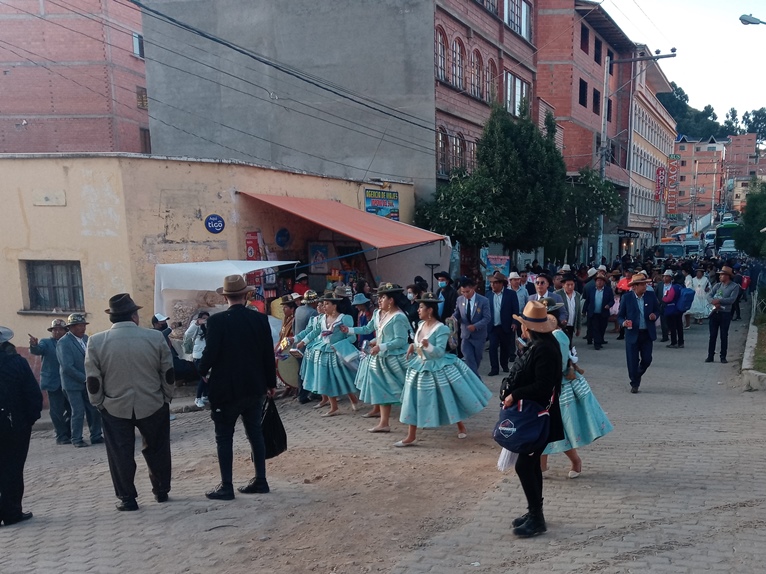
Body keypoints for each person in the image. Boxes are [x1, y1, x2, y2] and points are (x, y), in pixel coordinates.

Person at [85, 293, 175, 511]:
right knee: (157, 449)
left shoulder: (96, 341)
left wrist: (99, 403)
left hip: (115, 406)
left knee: (120, 453)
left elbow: (93, 379)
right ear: (134, 316)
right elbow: (168, 372)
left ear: (112, 318)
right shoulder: (155, 338)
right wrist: (166, 397)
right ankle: (161, 490)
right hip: (152, 402)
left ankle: (127, 498)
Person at [198, 275, 277, 500]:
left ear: (225, 296)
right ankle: (260, 480)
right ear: (246, 294)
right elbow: (267, 355)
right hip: (254, 387)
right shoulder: (260, 320)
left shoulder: (217, 321)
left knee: (224, 437)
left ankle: (227, 485)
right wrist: (271, 384)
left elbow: (210, 354)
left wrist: (202, 371)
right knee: (255, 433)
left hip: (225, 390)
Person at [500, 301, 563, 538]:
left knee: (525, 466)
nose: (521, 328)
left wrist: (515, 394)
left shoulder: (545, 349)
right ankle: (535, 512)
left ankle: (537, 517)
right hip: (535, 415)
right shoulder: (540, 345)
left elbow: (543, 386)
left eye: (522, 325)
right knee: (531, 464)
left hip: (536, 417)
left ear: (529, 327)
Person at [397, 293, 492, 446]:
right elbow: (419, 344)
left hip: (437, 367)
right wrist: (413, 347)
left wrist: (427, 345)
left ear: (430, 310)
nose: (418, 310)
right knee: (413, 398)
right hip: (420, 366)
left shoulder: (441, 328)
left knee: (448, 397)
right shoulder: (421, 325)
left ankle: (460, 425)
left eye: (421, 307)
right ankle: (411, 434)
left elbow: (439, 351)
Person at [539, 298, 613, 479]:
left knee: (557, 429)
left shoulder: (557, 336)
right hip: (547, 388)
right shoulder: (550, 335)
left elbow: (558, 363)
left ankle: (573, 462)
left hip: (558, 388)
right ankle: (542, 467)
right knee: (544, 429)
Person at [342, 283, 410, 432]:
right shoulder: (378, 313)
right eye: (379, 297)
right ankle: (384, 423)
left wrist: (381, 346)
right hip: (380, 358)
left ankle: (418, 416)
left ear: (391, 300)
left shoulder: (398, 317)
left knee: (406, 389)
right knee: (382, 389)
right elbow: (368, 329)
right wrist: (350, 330)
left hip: (395, 359)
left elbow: (400, 340)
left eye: (383, 297)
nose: (379, 300)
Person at [0, 326, 43, 526]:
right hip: (13, 424)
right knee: (12, 469)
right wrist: (29, 419)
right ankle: (11, 512)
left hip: (13, 422)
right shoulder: (17, 363)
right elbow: (32, 394)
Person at [294, 292, 360, 416]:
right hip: (324, 352)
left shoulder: (344, 319)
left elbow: (352, 338)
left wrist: (340, 345)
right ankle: (333, 407)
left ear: (334, 306)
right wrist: (303, 341)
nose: (324, 307)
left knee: (343, 378)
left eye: (327, 304)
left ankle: (353, 398)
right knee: (326, 379)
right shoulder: (322, 319)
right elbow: (314, 332)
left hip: (338, 354)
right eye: (323, 304)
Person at [57, 313, 102, 447]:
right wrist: (85, 379)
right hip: (73, 384)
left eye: (83, 325)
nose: (82, 329)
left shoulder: (86, 339)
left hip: (87, 381)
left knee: (94, 409)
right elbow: (67, 367)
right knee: (78, 411)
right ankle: (76, 439)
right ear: (71, 328)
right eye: (79, 326)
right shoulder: (64, 342)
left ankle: (96, 435)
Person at [28, 319, 71, 445]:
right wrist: (34, 345)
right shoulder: (46, 342)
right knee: (56, 411)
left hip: (69, 381)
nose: (57, 332)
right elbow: (37, 350)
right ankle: (61, 435)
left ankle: (69, 432)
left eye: (60, 329)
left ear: (65, 331)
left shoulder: (69, 342)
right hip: (54, 382)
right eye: (54, 330)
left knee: (72, 409)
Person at [618, 273, 660, 394]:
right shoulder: (627, 298)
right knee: (632, 361)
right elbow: (620, 316)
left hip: (647, 333)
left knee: (647, 359)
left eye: (646, 284)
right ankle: (634, 384)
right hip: (632, 333)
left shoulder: (650, 296)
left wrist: (654, 315)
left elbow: (657, 310)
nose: (645, 286)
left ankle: (637, 374)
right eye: (642, 284)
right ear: (635, 286)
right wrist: (624, 323)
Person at [453, 277, 491, 377]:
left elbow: (487, 318)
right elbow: (457, 313)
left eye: (467, 292)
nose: (465, 294)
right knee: (468, 358)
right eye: (463, 292)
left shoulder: (483, 301)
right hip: (465, 336)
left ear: (473, 289)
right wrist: (452, 318)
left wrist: (475, 326)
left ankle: (473, 380)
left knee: (476, 360)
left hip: (479, 336)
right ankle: (477, 381)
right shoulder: (460, 299)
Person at [706, 266, 740, 364]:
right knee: (712, 335)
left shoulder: (734, 286)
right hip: (714, 313)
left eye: (722, 274)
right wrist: (713, 302)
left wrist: (719, 301)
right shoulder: (717, 285)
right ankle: (710, 355)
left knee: (724, 335)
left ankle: (723, 356)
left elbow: (731, 300)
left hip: (725, 314)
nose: (720, 276)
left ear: (727, 276)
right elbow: (709, 295)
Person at [486, 273, 519, 376]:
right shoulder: (488, 295)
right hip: (493, 326)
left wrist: (514, 322)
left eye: (495, 283)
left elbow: (515, 310)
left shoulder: (511, 294)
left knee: (505, 347)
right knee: (493, 347)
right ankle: (494, 368)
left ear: (501, 284)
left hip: (505, 325)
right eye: (491, 283)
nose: (493, 285)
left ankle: (504, 365)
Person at [294, 290, 320, 404]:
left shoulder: (298, 309)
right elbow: (313, 331)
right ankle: (306, 395)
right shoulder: (313, 313)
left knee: (301, 370)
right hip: (306, 346)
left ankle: (303, 393)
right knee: (308, 371)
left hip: (297, 344)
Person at [184, 311, 210, 408]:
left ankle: (205, 395)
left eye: (207, 318)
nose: (205, 320)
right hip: (198, 356)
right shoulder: (195, 326)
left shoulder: (208, 327)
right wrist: (197, 324)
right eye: (203, 318)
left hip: (206, 355)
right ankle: (198, 398)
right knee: (203, 377)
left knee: (207, 377)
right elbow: (188, 334)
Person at [582, 272, 614, 350]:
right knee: (595, 328)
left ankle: (600, 340)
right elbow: (587, 301)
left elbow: (612, 301)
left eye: (601, 281)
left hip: (603, 313)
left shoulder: (608, 290)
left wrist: (608, 305)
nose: (599, 282)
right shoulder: (592, 290)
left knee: (602, 328)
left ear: (604, 282)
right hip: (593, 313)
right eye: (598, 280)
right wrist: (584, 310)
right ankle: (597, 343)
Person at [555, 274, 582, 344]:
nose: (570, 287)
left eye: (572, 284)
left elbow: (578, 312)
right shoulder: (557, 295)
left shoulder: (577, 295)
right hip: (560, 325)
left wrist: (578, 327)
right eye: (568, 285)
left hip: (571, 324)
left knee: (569, 343)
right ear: (563, 285)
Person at [661, 270, 684, 349]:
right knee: (679, 326)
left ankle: (674, 342)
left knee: (672, 326)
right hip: (679, 308)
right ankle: (681, 342)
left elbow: (669, 299)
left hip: (672, 309)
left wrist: (663, 298)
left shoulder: (674, 287)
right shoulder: (681, 286)